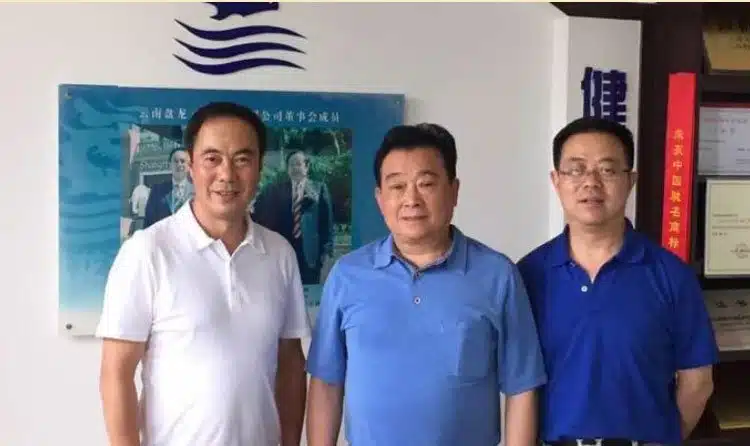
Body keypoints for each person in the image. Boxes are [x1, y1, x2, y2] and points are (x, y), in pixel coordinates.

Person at [305, 123, 547, 446]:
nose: (411, 199)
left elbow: (522, 387)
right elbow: (326, 383)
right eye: (397, 186)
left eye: (426, 184)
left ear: (454, 191)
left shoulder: (498, 275)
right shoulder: (347, 276)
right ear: (380, 198)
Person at [96, 102, 310, 446]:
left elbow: (290, 365)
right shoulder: (148, 251)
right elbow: (116, 373)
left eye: (242, 159)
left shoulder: (279, 254)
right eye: (212, 158)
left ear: (259, 167)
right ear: (191, 165)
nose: (227, 174)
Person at [518, 117, 719, 446]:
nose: (591, 182)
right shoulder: (529, 275)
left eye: (607, 170)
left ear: (630, 180)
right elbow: (518, 385)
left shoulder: (671, 275)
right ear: (556, 180)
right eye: (576, 170)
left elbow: (697, 381)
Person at [252, 149, 335, 285]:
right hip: (284, 253)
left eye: (298, 164)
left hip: (310, 254)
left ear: (306, 167)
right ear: (287, 169)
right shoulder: (277, 190)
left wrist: (327, 255)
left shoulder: (318, 189)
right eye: (291, 165)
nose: (295, 168)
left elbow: (328, 225)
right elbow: (262, 215)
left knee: (308, 292)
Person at [143, 147, 194, 228]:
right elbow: (149, 221)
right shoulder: (157, 190)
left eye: (182, 161)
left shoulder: (197, 191)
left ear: (189, 166)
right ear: (169, 165)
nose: (179, 164)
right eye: (176, 161)